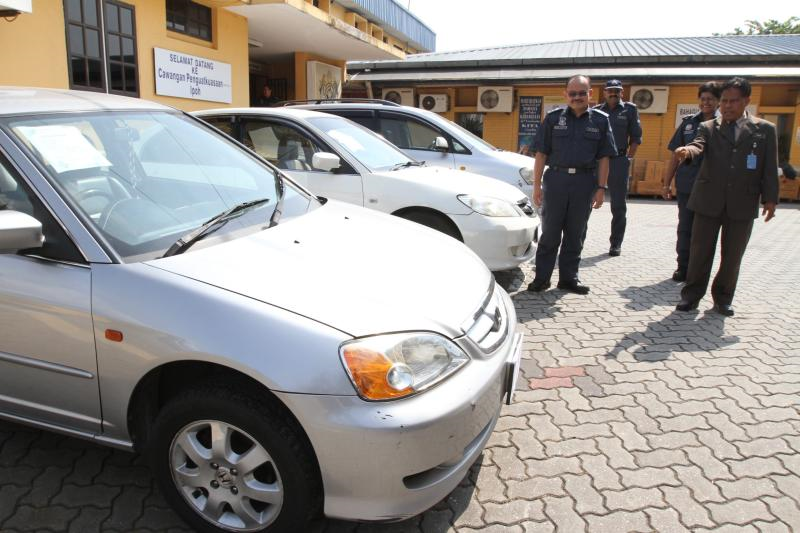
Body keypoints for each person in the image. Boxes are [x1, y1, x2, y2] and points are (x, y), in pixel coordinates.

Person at [674, 77, 779, 317]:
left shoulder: (764, 130)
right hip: (708, 200)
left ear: (746, 101)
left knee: (732, 256)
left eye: (734, 101)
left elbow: (769, 168)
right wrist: (687, 151)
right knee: (700, 252)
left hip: (743, 202)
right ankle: (691, 296)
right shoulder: (708, 128)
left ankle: (723, 298)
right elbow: (697, 145)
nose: (727, 106)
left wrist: (770, 199)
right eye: (724, 101)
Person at [527, 75, 617, 295]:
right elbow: (541, 154)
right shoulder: (553, 119)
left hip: (584, 182)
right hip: (556, 180)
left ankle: (569, 279)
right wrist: (537, 186)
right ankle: (542, 278)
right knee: (550, 233)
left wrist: (601, 188)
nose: (577, 97)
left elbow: (604, 157)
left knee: (576, 233)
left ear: (590, 94)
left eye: (582, 93)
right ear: (565, 94)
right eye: (573, 93)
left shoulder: (600, 120)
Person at [662, 81, 721, 282]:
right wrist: (666, 183)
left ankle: (698, 270)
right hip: (687, 185)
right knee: (685, 228)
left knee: (704, 232)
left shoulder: (724, 125)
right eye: (703, 99)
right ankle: (683, 267)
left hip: (712, 187)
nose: (706, 103)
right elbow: (674, 156)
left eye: (711, 99)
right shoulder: (688, 124)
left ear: (718, 101)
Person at [592, 79, 642, 256]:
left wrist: (628, 158)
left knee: (618, 205)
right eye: (610, 90)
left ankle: (615, 244)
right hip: (598, 162)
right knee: (584, 202)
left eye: (617, 91)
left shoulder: (630, 109)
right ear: (604, 92)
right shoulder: (596, 110)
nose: (613, 93)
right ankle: (578, 241)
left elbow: (636, 138)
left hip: (619, 160)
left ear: (622, 92)